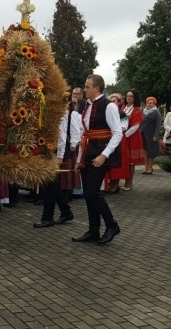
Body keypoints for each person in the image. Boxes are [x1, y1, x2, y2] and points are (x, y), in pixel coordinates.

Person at [72, 75, 123, 245]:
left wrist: (104, 155)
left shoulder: (109, 106)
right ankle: (93, 230)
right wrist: (79, 159)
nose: (84, 89)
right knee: (88, 194)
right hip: (88, 152)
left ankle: (112, 225)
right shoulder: (86, 105)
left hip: (101, 153)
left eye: (87, 87)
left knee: (92, 192)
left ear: (97, 88)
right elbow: (84, 134)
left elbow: (117, 133)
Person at [34, 95, 82, 228]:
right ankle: (65, 212)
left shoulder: (64, 114)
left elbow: (61, 135)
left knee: (50, 184)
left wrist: (60, 155)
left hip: (57, 151)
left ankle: (48, 217)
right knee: (51, 184)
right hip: (51, 149)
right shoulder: (54, 112)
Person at [103, 93, 129, 194]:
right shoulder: (107, 112)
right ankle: (111, 184)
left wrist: (113, 127)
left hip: (119, 140)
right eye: (111, 101)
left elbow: (124, 126)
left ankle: (116, 185)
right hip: (109, 139)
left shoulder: (122, 114)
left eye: (114, 101)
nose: (112, 103)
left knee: (118, 163)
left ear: (118, 102)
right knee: (110, 163)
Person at [121, 89, 143, 191]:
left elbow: (136, 125)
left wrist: (125, 135)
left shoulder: (136, 110)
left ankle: (129, 182)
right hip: (123, 135)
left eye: (131, 96)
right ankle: (125, 181)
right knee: (125, 161)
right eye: (127, 96)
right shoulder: (123, 108)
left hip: (132, 136)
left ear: (135, 98)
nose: (128, 98)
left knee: (131, 162)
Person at [140, 96, 162, 174]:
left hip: (151, 135)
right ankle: (146, 167)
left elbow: (158, 125)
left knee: (151, 151)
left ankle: (150, 167)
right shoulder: (144, 112)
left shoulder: (156, 113)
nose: (149, 104)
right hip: (143, 134)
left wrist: (156, 135)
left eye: (151, 103)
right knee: (145, 151)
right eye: (148, 103)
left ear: (154, 104)